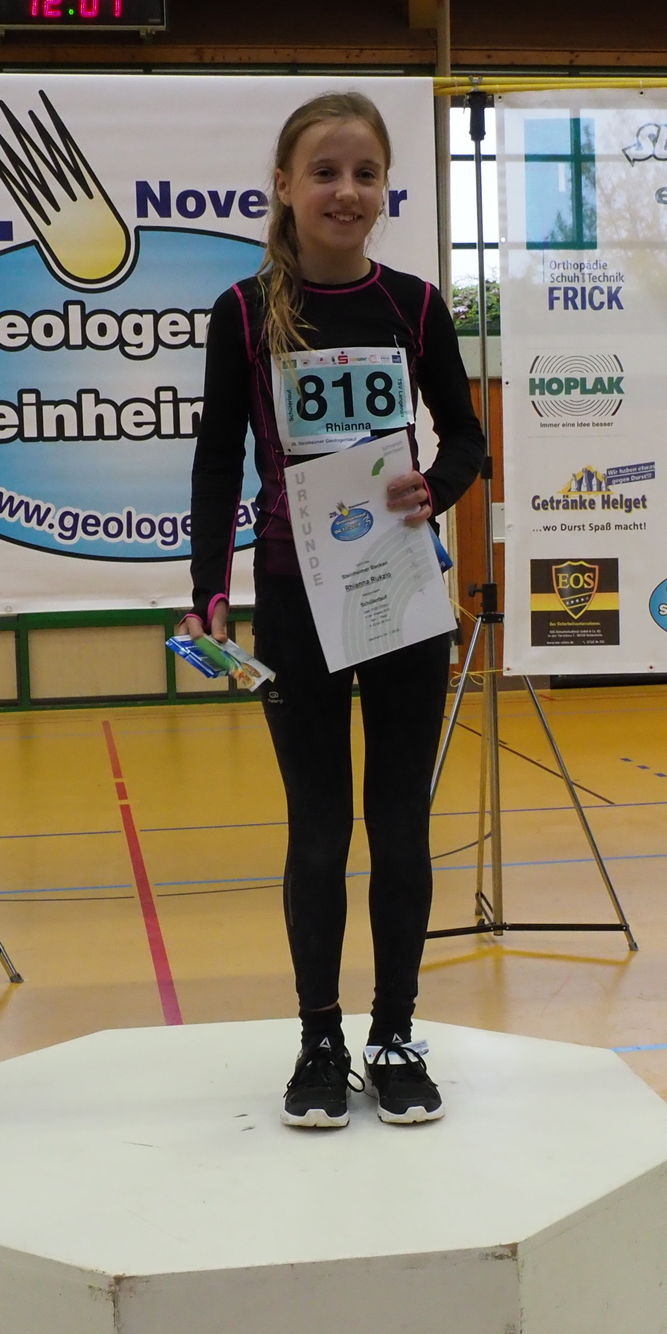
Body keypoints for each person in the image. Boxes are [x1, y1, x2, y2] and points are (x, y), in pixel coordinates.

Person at [182, 92, 485, 1129]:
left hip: (401, 594)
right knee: (317, 832)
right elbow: (216, 459)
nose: (345, 191)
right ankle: (320, 1038)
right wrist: (209, 590)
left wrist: (436, 489)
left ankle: (394, 1034)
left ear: (385, 187)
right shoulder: (241, 313)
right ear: (283, 187)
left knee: (400, 828)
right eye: (324, 172)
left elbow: (467, 439)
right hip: (295, 601)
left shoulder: (416, 306)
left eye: (364, 173)